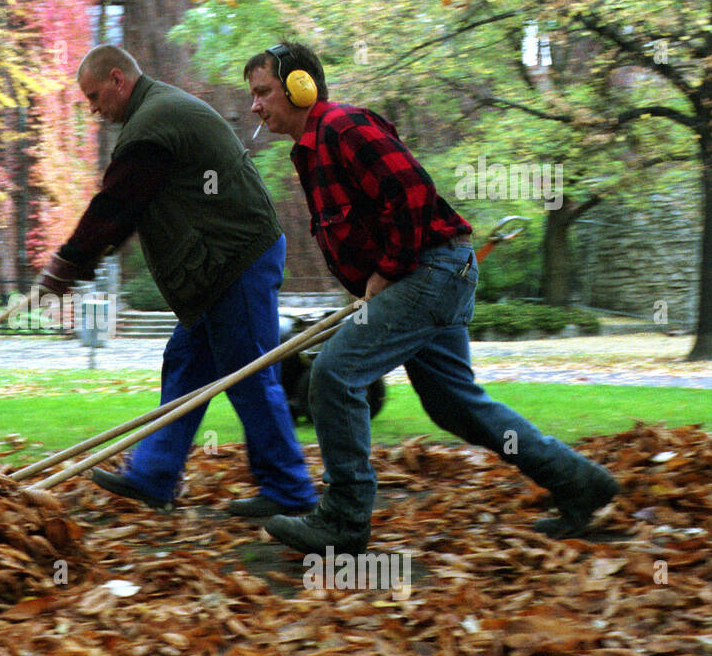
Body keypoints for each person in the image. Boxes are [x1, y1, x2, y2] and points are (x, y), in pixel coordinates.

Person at [244, 41, 620, 555]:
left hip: (428, 272)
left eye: (263, 92)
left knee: (333, 374)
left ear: (300, 86)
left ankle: (344, 520)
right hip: (428, 275)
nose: (255, 106)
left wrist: (387, 273)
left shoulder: (343, 128)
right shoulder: (312, 149)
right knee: (454, 406)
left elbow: (412, 194)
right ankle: (579, 482)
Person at [38, 44, 318, 516]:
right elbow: (129, 210)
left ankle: (290, 493)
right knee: (186, 367)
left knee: (248, 375)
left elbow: (115, 206)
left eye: (93, 96)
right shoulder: (156, 114)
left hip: (237, 260)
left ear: (117, 79)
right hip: (219, 267)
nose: (92, 108)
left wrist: (66, 263)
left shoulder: (152, 124)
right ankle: (153, 475)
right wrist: (76, 266)